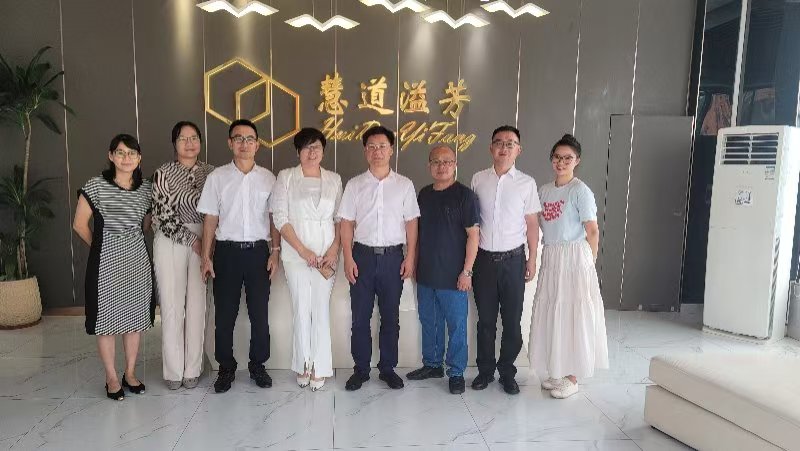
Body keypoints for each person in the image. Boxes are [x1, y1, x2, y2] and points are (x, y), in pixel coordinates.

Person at [197, 119, 280, 393]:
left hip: (258, 253)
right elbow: (210, 218)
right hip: (226, 253)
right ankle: (226, 367)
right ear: (230, 143)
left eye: (249, 139)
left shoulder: (269, 178)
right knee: (225, 315)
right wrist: (206, 256)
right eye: (239, 138)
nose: (244, 144)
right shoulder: (217, 178)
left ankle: (258, 365)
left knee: (259, 314)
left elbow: (274, 218)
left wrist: (275, 252)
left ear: (257, 145)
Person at [338, 125, 420, 391]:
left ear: (391, 149)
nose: (377, 151)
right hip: (361, 256)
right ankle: (361, 369)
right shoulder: (355, 185)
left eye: (382, 146)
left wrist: (410, 256)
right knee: (360, 318)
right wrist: (347, 258)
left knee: (390, 317)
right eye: (371, 147)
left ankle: (387, 368)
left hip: (393, 258)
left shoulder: (404, 185)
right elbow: (346, 223)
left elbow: (411, 223)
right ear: (365, 151)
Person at [73, 133, 154, 401]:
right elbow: (79, 224)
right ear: (111, 156)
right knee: (106, 321)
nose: (126, 158)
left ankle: (129, 373)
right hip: (106, 263)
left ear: (139, 158)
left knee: (134, 318)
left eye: (132, 153)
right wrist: (99, 247)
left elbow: (146, 225)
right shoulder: (96, 186)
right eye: (120, 152)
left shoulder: (146, 188)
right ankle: (111, 377)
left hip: (137, 262)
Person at [529, 134, 608, 399]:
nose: (561, 162)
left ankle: (573, 377)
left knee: (574, 313)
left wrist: (588, 264)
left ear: (577, 161)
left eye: (568, 158)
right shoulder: (544, 190)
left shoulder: (580, 190)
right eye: (557, 157)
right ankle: (558, 370)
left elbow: (592, 231)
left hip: (575, 258)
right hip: (552, 256)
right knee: (554, 311)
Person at [470, 125, 541, 395]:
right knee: (486, 321)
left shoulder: (527, 183)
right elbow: (472, 223)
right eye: (499, 142)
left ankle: (507, 372)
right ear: (491, 148)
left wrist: (532, 258)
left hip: (514, 261)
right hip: (484, 262)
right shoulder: (478, 179)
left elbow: (532, 223)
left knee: (511, 321)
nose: (504, 147)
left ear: (518, 150)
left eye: (510, 143)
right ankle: (485, 371)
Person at [271, 127, 342, 392]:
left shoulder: (334, 179)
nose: (312, 152)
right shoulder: (286, 177)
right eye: (307, 147)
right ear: (298, 151)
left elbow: (340, 219)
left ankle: (320, 366)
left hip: (326, 256)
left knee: (320, 309)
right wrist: (303, 251)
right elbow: (280, 218)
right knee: (301, 308)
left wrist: (334, 250)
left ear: (323, 151)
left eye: (317, 147)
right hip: (296, 254)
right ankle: (303, 364)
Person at [406, 145, 479, 395]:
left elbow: (474, 236)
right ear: (429, 166)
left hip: (454, 276)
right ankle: (432, 364)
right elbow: (416, 234)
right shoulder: (424, 195)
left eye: (447, 161)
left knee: (456, 326)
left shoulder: (465, 196)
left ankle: (456, 372)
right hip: (426, 273)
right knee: (430, 322)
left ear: (455, 164)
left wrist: (467, 271)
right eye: (436, 162)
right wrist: (414, 263)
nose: (442, 166)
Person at [152, 121, 214, 390]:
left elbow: (217, 211)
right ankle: (173, 371)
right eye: (183, 138)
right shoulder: (163, 173)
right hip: (171, 240)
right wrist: (194, 241)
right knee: (172, 305)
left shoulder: (212, 173)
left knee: (198, 305)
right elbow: (163, 216)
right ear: (174, 143)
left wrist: (206, 243)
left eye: (194, 138)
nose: (189, 143)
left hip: (205, 237)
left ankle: (192, 368)